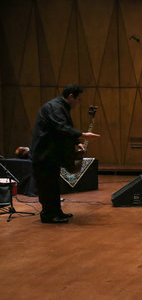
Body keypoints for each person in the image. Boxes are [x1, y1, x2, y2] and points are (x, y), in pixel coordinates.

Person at [30, 84, 100, 223]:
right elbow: (61, 127)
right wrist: (83, 135)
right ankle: (48, 215)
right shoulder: (54, 107)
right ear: (71, 96)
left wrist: (76, 142)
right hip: (44, 153)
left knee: (54, 185)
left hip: (51, 154)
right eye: (78, 99)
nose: (79, 102)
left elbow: (63, 129)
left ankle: (57, 212)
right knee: (47, 186)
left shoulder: (61, 107)